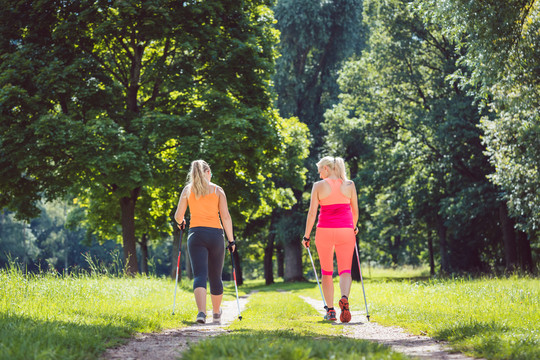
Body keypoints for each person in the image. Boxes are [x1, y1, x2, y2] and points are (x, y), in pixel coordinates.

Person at [175, 160, 236, 324]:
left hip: (196, 235)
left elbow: (178, 216)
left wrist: (181, 223)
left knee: (200, 274)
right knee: (215, 276)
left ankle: (201, 313)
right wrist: (231, 240)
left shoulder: (188, 190)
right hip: (216, 235)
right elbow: (225, 217)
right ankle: (216, 313)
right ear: (207, 172)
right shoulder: (217, 190)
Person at [302, 156, 359, 323]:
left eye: (320, 171)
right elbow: (355, 211)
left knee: (327, 272)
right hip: (346, 231)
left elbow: (312, 213)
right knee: (345, 270)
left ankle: (331, 311)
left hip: (324, 232)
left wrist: (306, 235)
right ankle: (344, 298)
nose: (319, 175)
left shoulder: (318, 186)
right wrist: (353, 226)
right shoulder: (350, 185)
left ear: (326, 168)